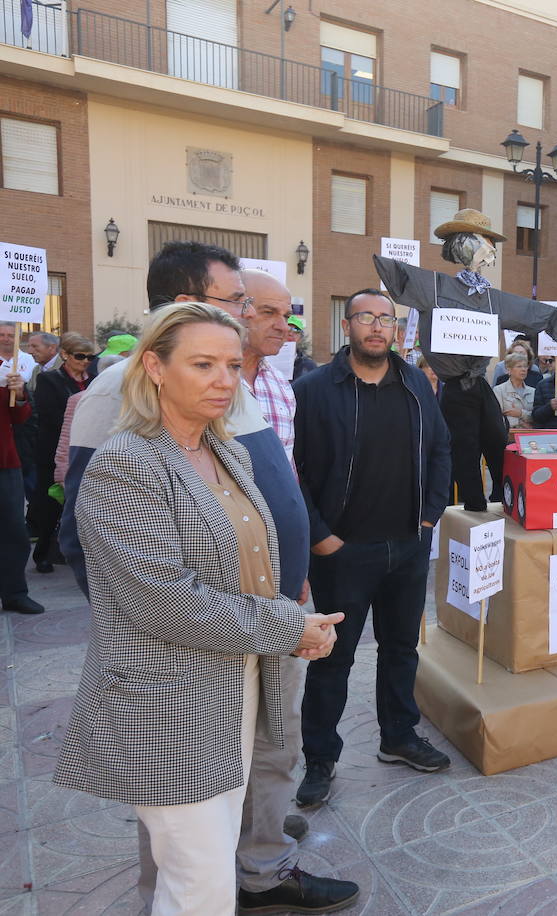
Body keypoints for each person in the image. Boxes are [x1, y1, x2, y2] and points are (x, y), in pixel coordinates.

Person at [59, 241, 357, 913]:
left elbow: (251, 542)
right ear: (155, 366)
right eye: (204, 364)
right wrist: (287, 625)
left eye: (230, 363)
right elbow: (163, 597)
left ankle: (261, 860)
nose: (224, 379)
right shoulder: (128, 461)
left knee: (205, 863)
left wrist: (292, 608)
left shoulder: (216, 444)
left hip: (239, 672)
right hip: (173, 692)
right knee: (197, 884)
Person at [292, 289, 453, 806]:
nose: (379, 327)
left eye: (388, 320)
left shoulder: (415, 384)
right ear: (347, 326)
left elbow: (441, 449)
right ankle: (320, 757)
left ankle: (398, 736)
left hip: (407, 545)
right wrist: (322, 535)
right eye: (368, 318)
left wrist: (429, 518)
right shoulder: (314, 389)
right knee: (331, 659)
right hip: (344, 552)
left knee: (401, 649)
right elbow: (293, 473)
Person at [372, 208, 557, 511]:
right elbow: (393, 273)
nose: (492, 249)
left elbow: (526, 310)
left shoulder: (491, 298)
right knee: (463, 453)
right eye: (486, 240)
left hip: (479, 385)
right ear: (467, 244)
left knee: (498, 443)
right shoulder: (436, 288)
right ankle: (475, 509)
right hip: (455, 388)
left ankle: (503, 502)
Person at [29, 333, 99, 572]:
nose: (86, 361)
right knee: (51, 503)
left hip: (87, 448)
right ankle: (43, 553)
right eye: (80, 356)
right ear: (65, 355)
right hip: (54, 449)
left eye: (91, 356)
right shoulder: (50, 380)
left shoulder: (96, 379)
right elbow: (49, 415)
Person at [238, 270, 296, 465]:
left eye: (286, 316)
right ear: (238, 310)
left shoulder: (281, 384)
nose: (283, 326)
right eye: (268, 312)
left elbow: (287, 468)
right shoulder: (203, 381)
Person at [2, 364, 40, 614]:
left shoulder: (5, 375)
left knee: (14, 532)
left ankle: (15, 593)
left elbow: (20, 416)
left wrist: (20, 393)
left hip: (5, 463)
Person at [491, 351, 536, 437]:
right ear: (509, 370)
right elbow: (497, 417)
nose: (523, 369)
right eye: (519, 366)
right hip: (507, 436)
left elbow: (536, 416)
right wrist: (520, 423)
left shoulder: (533, 391)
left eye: (525, 366)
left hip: (529, 436)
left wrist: (521, 414)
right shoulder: (499, 390)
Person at [286, 316, 318, 380]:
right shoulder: (266, 362)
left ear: (300, 337)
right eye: (287, 329)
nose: (291, 334)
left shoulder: (309, 366)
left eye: (296, 331)